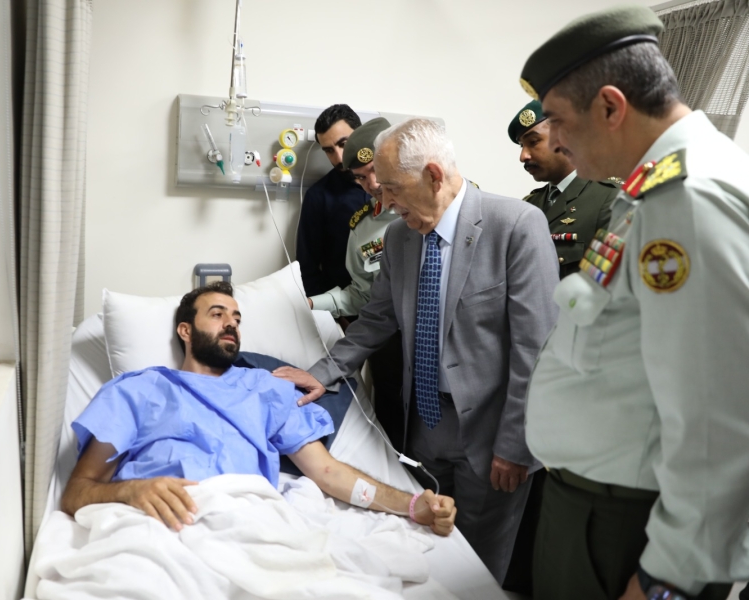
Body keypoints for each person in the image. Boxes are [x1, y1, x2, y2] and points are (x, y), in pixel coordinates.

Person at [519, 5, 749, 599]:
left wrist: (667, 577)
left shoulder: (688, 199)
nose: (554, 141)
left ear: (611, 107)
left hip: (627, 529)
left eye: (557, 120)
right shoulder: (649, 189)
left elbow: (720, 416)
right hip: (596, 507)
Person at [274, 118, 560, 583]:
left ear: (433, 175)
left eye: (391, 188)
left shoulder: (515, 227)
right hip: (423, 428)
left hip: (491, 437)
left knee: (476, 572)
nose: (383, 201)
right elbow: (376, 319)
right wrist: (323, 371)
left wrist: (516, 446)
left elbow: (537, 349)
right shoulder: (399, 238)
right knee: (429, 555)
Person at [61, 281, 457, 537]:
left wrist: (411, 505)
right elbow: (77, 492)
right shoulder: (137, 390)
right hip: (153, 525)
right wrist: (132, 490)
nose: (231, 323)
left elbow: (328, 472)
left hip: (242, 524)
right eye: (217, 314)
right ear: (185, 330)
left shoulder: (265, 388)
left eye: (236, 318)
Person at [308, 116, 405, 448]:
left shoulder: (437, 210)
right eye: (361, 178)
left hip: (442, 352)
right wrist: (312, 303)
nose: (373, 184)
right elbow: (362, 296)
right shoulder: (363, 228)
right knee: (394, 438)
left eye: (376, 170)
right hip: (389, 347)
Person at [509, 99, 618, 277]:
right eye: (522, 145)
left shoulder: (610, 198)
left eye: (533, 142)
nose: (523, 156)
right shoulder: (530, 204)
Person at [296, 104, 370, 297]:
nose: (339, 158)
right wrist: (331, 311)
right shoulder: (318, 197)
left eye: (344, 144)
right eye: (329, 150)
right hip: (344, 304)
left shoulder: (391, 186)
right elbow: (307, 268)